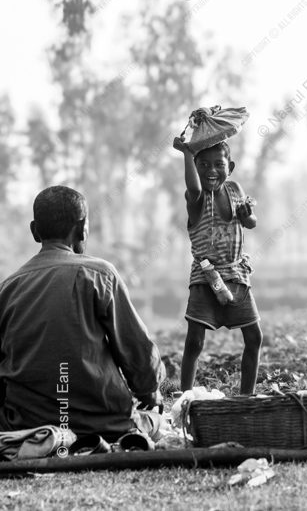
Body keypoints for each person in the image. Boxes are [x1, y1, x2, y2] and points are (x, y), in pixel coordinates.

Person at [0, 186, 165, 441]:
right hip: (103, 423)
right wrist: (150, 393)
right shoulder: (100, 274)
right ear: (82, 228)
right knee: (154, 420)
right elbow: (136, 350)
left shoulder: (8, 288)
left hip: (27, 425)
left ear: (34, 231)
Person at [173, 136, 263, 395]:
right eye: (203, 165)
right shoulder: (197, 198)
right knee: (194, 342)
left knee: (254, 338)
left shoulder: (235, 190)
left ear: (230, 167)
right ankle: (186, 396)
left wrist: (249, 216)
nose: (211, 171)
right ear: (195, 166)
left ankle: (246, 396)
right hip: (206, 276)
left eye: (218, 165)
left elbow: (250, 223)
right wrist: (187, 154)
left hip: (236, 273)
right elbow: (193, 186)